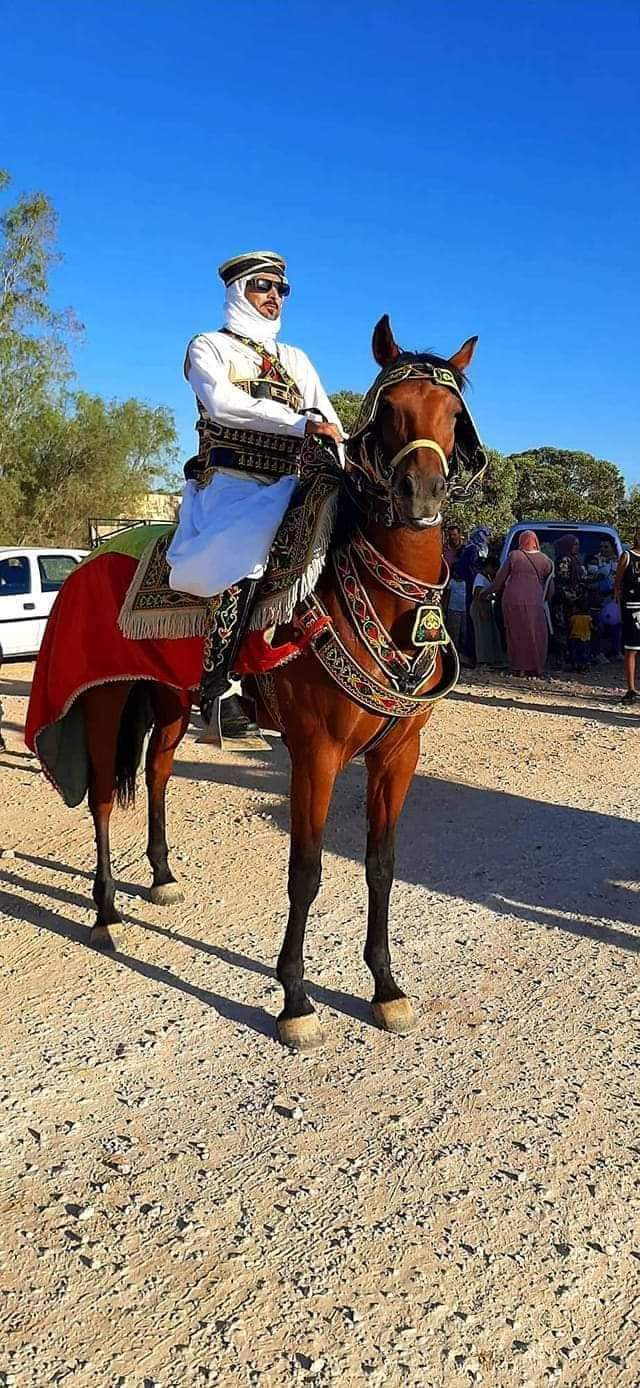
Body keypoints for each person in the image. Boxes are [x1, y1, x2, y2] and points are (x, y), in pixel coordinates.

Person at [166, 250, 344, 733]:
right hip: (232, 484)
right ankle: (217, 686)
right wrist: (298, 423)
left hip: (291, 482)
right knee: (246, 554)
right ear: (237, 291)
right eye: (263, 286)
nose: (273, 297)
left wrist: (344, 460)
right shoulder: (208, 346)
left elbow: (328, 417)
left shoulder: (296, 359)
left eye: (280, 289)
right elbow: (223, 405)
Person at [485, 530, 553, 677]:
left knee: (515, 633)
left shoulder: (514, 556)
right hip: (535, 601)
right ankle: (535, 667)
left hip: (512, 600)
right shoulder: (545, 560)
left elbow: (499, 580)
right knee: (535, 634)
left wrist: (487, 592)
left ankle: (518, 666)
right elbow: (550, 584)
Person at [456, 525, 491, 662]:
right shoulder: (472, 550)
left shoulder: (482, 549)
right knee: (473, 621)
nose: (487, 539)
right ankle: (472, 654)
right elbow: (463, 569)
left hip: (480, 587)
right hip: (473, 588)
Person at [551, 534, 586, 667]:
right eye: (574, 544)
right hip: (564, 603)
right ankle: (562, 661)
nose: (577, 547)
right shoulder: (564, 560)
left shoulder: (575, 559)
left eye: (577, 544)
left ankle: (573, 659)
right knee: (562, 631)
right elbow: (562, 582)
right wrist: (573, 598)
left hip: (573, 603)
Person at [614, 526, 640, 706]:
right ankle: (631, 689)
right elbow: (618, 582)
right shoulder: (627, 556)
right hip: (632, 607)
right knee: (631, 648)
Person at [470, 557, 505, 666]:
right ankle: (482, 660)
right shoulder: (480, 578)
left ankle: (490, 659)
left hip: (486, 606)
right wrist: (481, 610)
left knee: (488, 634)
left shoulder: (487, 578)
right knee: (481, 635)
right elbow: (477, 595)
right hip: (480, 607)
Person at [445, 561, 467, 654]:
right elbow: (447, 596)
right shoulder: (451, 582)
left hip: (464, 610)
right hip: (453, 609)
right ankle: (454, 651)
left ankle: (463, 650)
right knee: (454, 631)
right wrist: (445, 609)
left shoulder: (466, 582)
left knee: (464, 631)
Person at [567, 603, 593, 671]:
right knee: (585, 653)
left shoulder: (573, 618)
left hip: (574, 637)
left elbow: (570, 626)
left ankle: (575, 666)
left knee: (575, 653)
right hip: (586, 638)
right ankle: (585, 666)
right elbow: (591, 627)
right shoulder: (588, 618)